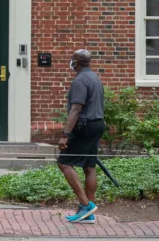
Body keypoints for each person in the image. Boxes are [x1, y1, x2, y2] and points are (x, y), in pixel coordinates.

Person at [57, 49, 106, 224]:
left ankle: (86, 206)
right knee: (89, 168)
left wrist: (66, 135)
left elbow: (76, 109)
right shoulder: (95, 78)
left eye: (72, 59)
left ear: (76, 62)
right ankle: (88, 214)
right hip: (97, 124)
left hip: (84, 126)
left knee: (64, 163)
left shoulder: (80, 81)